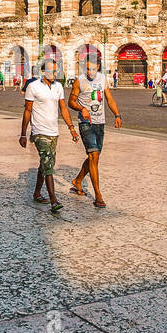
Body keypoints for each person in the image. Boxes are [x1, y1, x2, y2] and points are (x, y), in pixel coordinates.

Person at [20, 57, 78, 214]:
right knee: (48, 164)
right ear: (43, 71)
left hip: (54, 132)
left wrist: (71, 128)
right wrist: (23, 134)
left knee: (45, 164)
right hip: (39, 132)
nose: (54, 73)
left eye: (56, 70)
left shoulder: (58, 86)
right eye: (51, 70)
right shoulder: (33, 87)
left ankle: (37, 192)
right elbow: (27, 111)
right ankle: (54, 201)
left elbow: (63, 108)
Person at [68, 53, 122, 208]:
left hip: (100, 122)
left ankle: (77, 181)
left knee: (94, 156)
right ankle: (98, 195)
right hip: (86, 123)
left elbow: (109, 98)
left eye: (92, 69)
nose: (90, 72)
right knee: (94, 156)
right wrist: (81, 108)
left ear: (98, 67)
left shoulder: (102, 79)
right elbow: (71, 101)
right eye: (87, 69)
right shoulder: (79, 81)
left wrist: (117, 115)